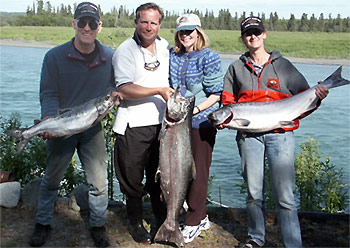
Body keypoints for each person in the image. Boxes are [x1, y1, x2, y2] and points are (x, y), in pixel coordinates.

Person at [220, 16, 329, 248]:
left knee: (285, 196)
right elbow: (227, 103)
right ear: (243, 38)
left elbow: (304, 96)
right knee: (253, 193)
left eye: (257, 32)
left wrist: (317, 97)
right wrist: (221, 121)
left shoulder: (284, 66)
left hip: (281, 136)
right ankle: (256, 238)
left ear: (264, 35)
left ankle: (292, 243)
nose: (253, 37)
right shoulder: (235, 68)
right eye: (248, 33)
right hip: (249, 137)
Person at [28, 2, 118, 247]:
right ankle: (43, 222)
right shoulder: (54, 57)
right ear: (74, 24)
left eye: (91, 23)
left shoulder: (110, 57)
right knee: (52, 179)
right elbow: (48, 92)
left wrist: (115, 98)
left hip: (92, 129)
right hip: (61, 129)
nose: (86, 27)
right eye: (82, 22)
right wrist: (48, 118)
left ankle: (98, 225)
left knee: (99, 182)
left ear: (99, 26)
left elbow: (116, 87)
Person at [111, 2, 174, 245]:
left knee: (159, 178)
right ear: (136, 22)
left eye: (154, 22)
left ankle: (162, 222)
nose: (149, 27)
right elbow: (124, 89)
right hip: (133, 125)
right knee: (132, 179)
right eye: (144, 21)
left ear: (160, 25)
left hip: (163, 125)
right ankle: (136, 224)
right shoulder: (125, 50)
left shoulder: (165, 46)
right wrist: (158, 89)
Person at [169, 13, 224, 243]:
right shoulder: (173, 55)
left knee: (198, 172)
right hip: (177, 123)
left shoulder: (209, 57)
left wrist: (196, 109)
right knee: (182, 171)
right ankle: (201, 216)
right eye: (182, 31)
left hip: (200, 124)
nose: (186, 35)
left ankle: (192, 221)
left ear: (198, 32)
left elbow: (216, 95)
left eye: (190, 31)